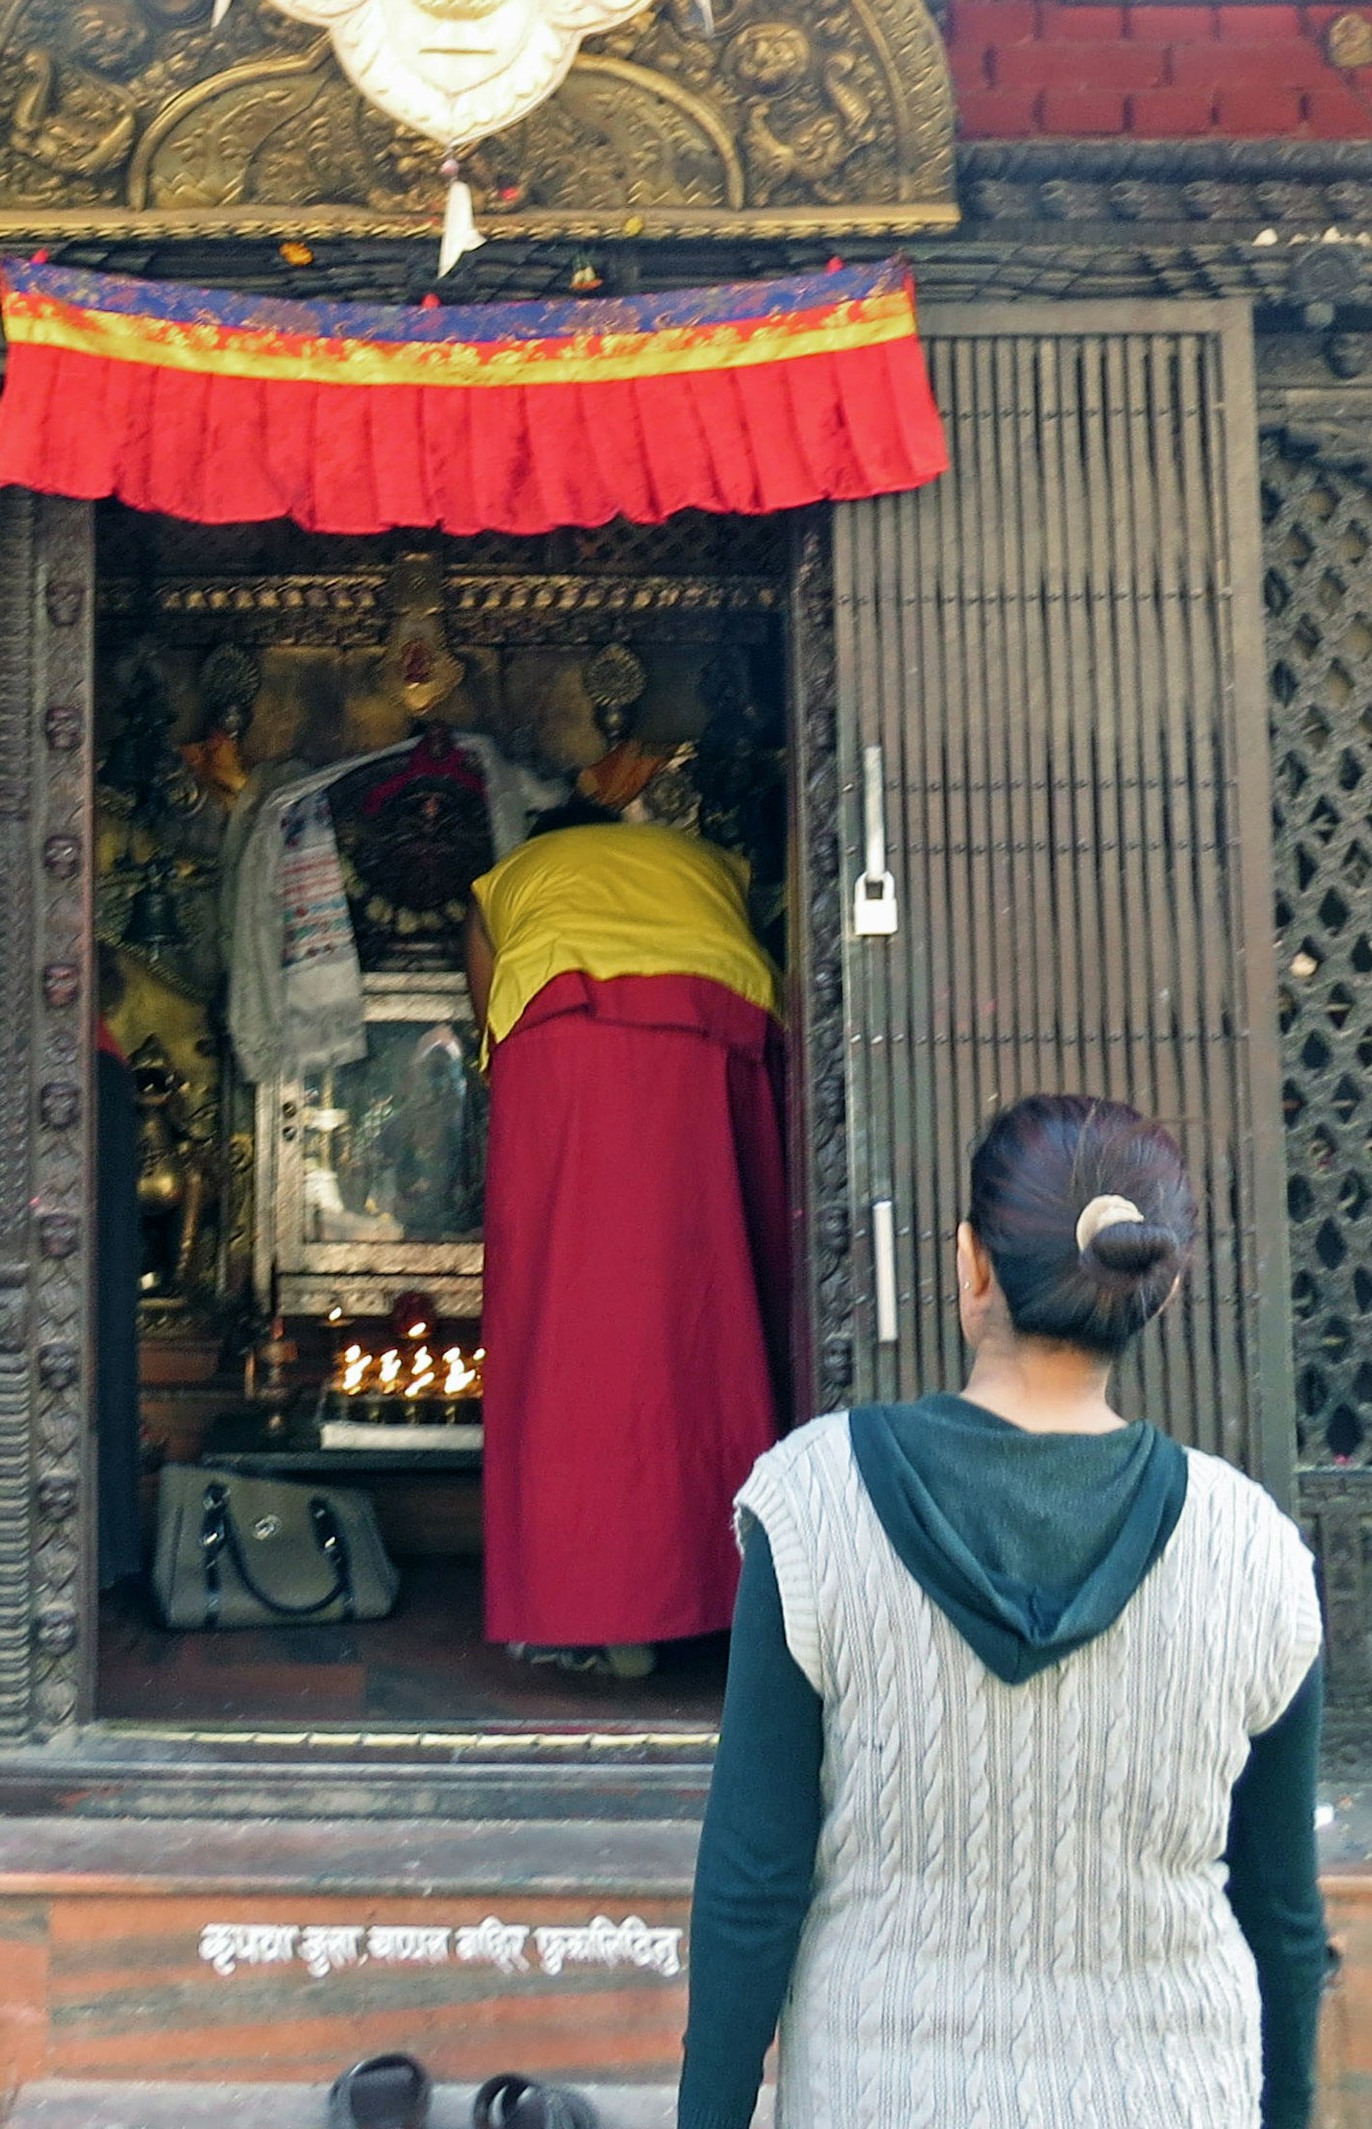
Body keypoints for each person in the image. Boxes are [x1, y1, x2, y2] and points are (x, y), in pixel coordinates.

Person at [678, 1096, 1328, 2129]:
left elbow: (752, 1889)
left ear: (969, 1266)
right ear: (1154, 1292)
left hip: (880, 2094)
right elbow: (1284, 1917)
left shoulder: (816, 1508)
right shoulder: (1254, 1551)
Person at [464, 797, 787, 1671]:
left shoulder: (509, 878)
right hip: (718, 1027)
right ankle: (740, 1592)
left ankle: (596, 1607)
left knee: (567, 1311)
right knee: (713, 1301)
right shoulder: (707, 863)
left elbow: (490, 1002)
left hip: (564, 1040)